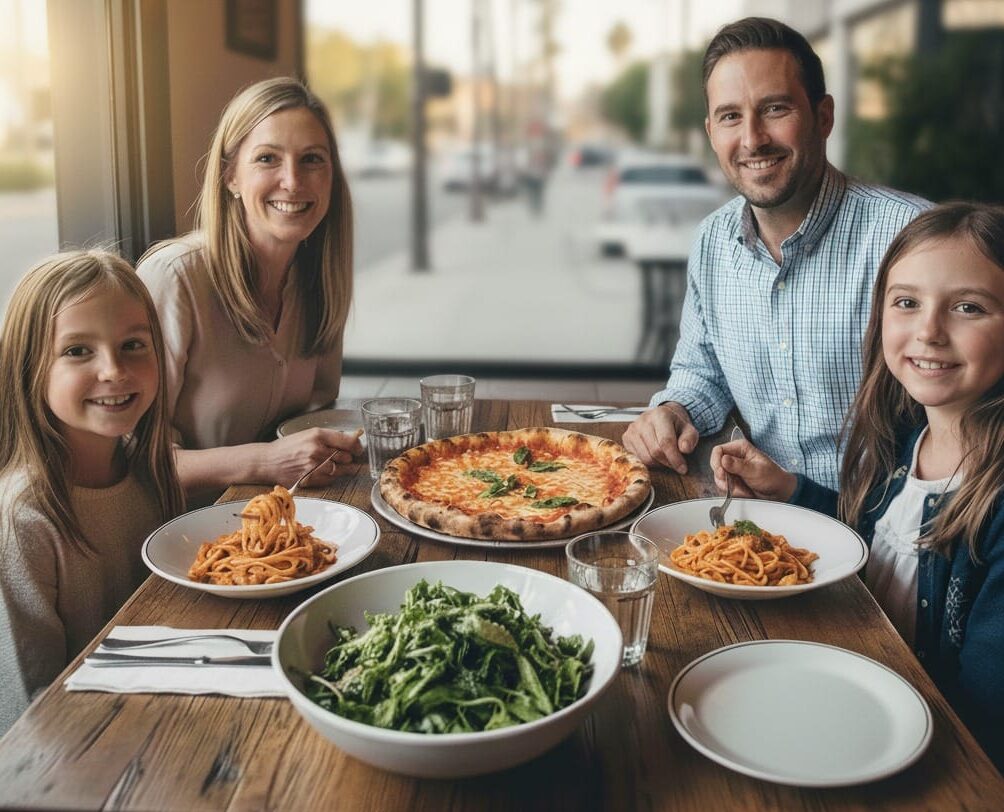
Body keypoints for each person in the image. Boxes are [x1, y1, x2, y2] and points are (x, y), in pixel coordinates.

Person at [710, 203, 1004, 770]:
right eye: (907, 302)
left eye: (968, 307)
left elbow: (985, 711)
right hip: (854, 675)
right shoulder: (904, 434)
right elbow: (869, 539)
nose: (929, 331)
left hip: (931, 751)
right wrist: (791, 488)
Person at [623, 17, 929, 490]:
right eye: (730, 117)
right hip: (763, 520)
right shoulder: (712, 241)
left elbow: (968, 412)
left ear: (823, 117)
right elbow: (701, 370)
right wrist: (673, 410)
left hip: (892, 529)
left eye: (775, 109)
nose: (752, 139)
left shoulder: (911, 238)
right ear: (710, 132)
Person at [138, 77, 361, 501]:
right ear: (230, 177)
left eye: (312, 159)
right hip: (181, 535)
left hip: (279, 518)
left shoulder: (320, 279)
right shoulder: (174, 278)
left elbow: (317, 412)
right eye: (267, 158)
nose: (293, 181)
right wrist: (265, 460)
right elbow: (132, 458)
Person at [0, 250, 185, 734]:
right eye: (78, 351)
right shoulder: (21, 519)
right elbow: (28, 705)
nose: (113, 370)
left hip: (161, 703)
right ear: (28, 368)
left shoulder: (146, 466)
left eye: (133, 345)